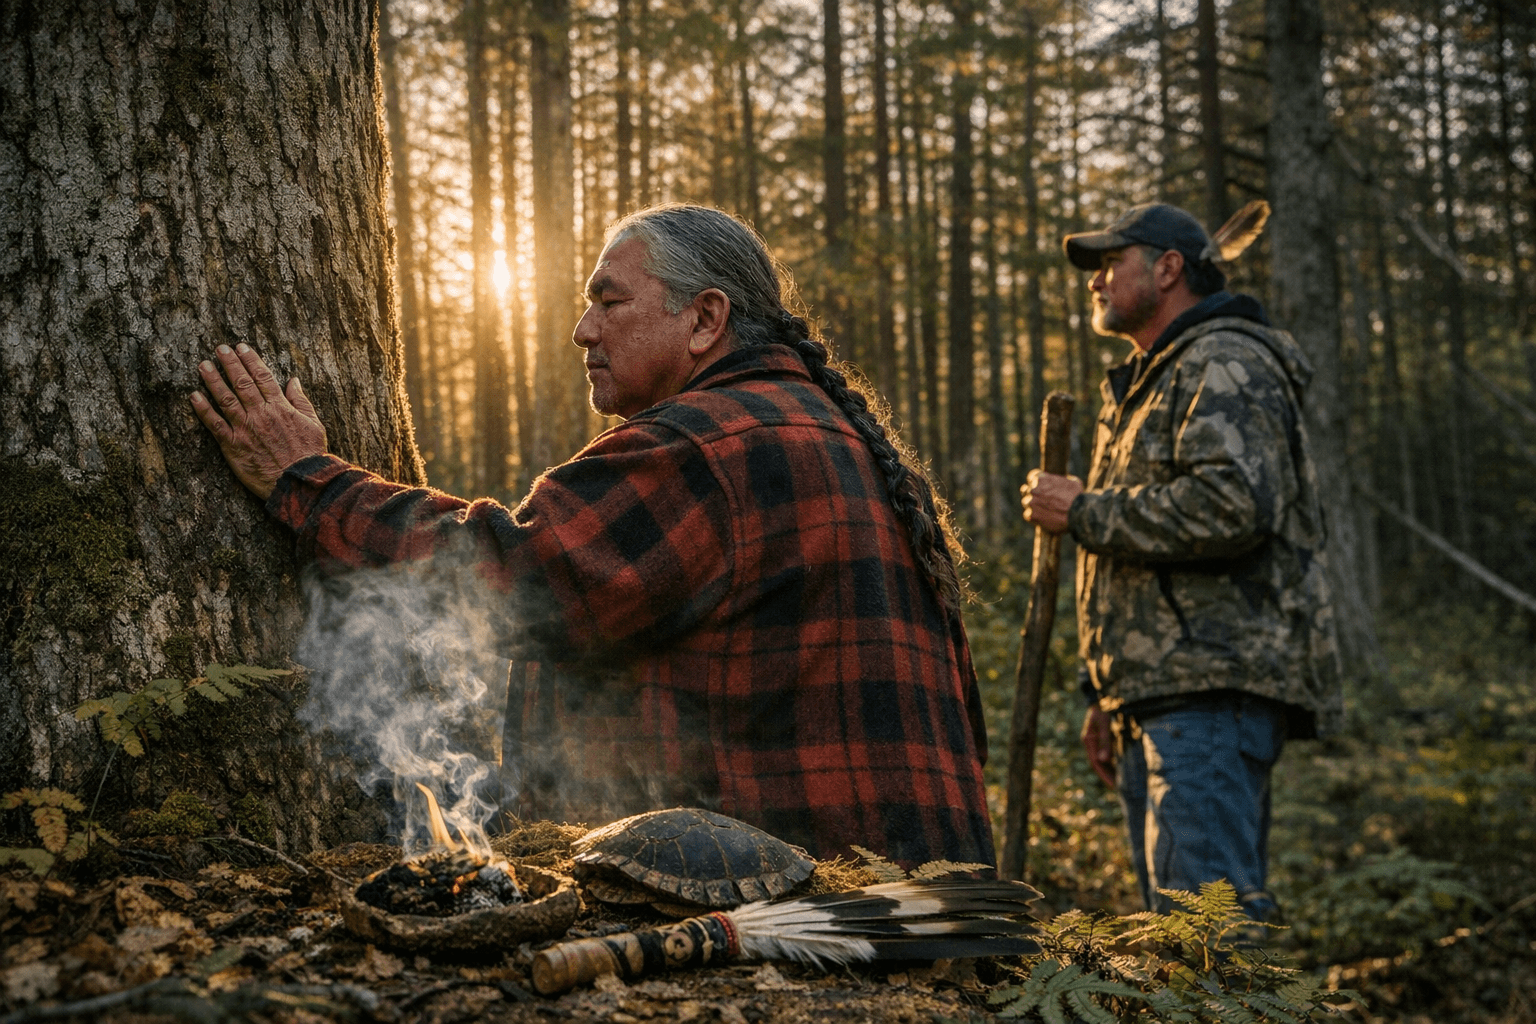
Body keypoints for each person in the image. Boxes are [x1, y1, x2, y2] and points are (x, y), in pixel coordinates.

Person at [190, 203, 995, 869]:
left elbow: (503, 582)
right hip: (933, 911)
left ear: (705, 318)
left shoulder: (701, 449)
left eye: (610, 302)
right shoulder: (851, 449)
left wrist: (308, 482)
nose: (583, 330)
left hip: (799, 923)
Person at [1019, 202, 1342, 920]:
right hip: (1159, 694)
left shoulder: (1223, 360)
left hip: (1209, 692)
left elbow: (1234, 506)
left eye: (1112, 263)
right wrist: (1104, 692)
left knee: (1204, 931)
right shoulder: (1153, 378)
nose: (1096, 281)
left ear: (1169, 269)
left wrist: (1083, 510)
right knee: (1175, 934)